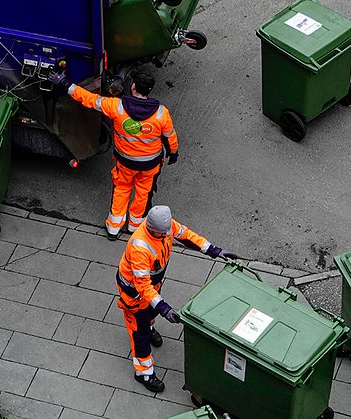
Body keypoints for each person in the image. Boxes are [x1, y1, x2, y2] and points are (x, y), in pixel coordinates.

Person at [49, 69, 179, 240]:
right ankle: (134, 226)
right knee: (143, 193)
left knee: (122, 189)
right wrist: (173, 152)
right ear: (149, 90)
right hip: (150, 164)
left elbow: (89, 99)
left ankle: (113, 228)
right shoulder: (161, 113)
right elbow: (170, 136)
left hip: (125, 162)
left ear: (132, 86)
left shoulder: (116, 107)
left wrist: (64, 83)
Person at [114, 205, 225, 392]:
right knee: (138, 332)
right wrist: (164, 309)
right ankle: (144, 372)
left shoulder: (165, 227)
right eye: (162, 234)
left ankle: (149, 329)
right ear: (151, 229)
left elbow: (186, 236)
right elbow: (142, 285)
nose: (167, 236)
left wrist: (213, 250)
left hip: (152, 286)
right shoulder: (140, 246)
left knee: (149, 315)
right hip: (134, 294)